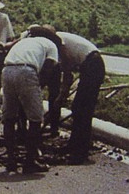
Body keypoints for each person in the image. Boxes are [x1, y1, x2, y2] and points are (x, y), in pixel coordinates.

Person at [1, 27, 61, 174]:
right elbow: (48, 70)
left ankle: (11, 160)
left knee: (9, 118)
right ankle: (29, 161)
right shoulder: (51, 45)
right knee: (35, 119)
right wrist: (36, 91)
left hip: (7, 70)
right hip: (27, 71)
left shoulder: (25, 42)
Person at [53, 31, 105, 165]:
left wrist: (61, 96)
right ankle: (74, 144)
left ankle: (80, 152)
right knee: (77, 108)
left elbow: (67, 73)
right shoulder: (59, 39)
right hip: (89, 65)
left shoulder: (59, 42)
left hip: (93, 64)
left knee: (83, 111)